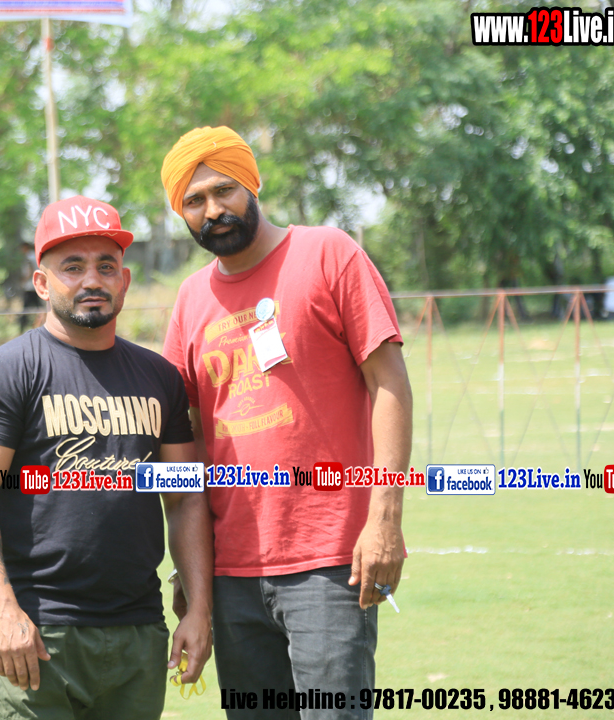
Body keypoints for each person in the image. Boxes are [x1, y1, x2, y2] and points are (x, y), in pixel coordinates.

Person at [159, 126, 413, 719]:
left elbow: (390, 385)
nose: (213, 210)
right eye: (194, 200)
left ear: (253, 183)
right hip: (232, 572)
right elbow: (188, 442)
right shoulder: (190, 300)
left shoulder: (328, 253)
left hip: (330, 562)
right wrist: (193, 572)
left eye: (224, 190)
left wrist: (384, 520)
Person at [0, 195, 214, 720]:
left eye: (105, 266)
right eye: (72, 267)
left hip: (138, 633)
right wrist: (2, 609)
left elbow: (184, 499)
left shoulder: (159, 378)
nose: (92, 279)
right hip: (38, 634)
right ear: (42, 283)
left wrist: (199, 608)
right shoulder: (7, 372)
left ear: (125, 280)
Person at [18, 241, 45, 332]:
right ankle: (39, 325)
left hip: (30, 286)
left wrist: (24, 280)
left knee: (26, 309)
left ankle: (22, 328)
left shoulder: (29, 257)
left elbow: (30, 270)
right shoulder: (35, 256)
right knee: (39, 308)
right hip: (36, 285)